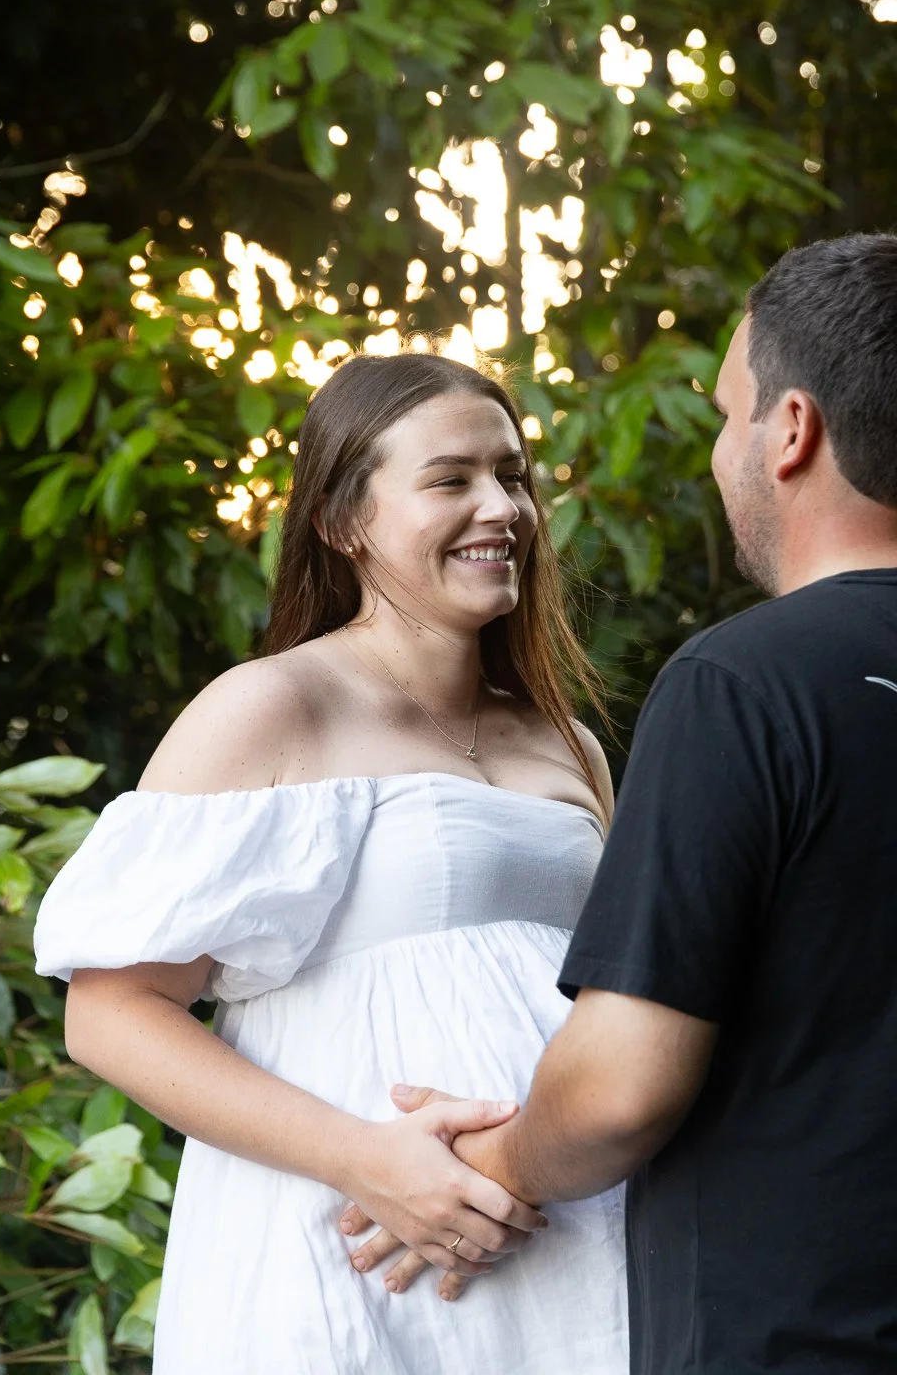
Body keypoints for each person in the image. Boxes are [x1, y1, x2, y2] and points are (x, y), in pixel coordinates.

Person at [346, 234, 897, 1372]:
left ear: (792, 431)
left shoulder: (747, 685)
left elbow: (619, 1089)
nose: (721, 451)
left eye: (728, 415)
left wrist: (483, 1170)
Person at [34, 351, 629, 1374]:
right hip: (354, 1253)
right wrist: (369, 1162)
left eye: (513, 476)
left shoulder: (571, 745)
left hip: (573, 1246)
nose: (502, 508)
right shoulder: (269, 708)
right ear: (343, 520)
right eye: (450, 479)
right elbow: (111, 1013)